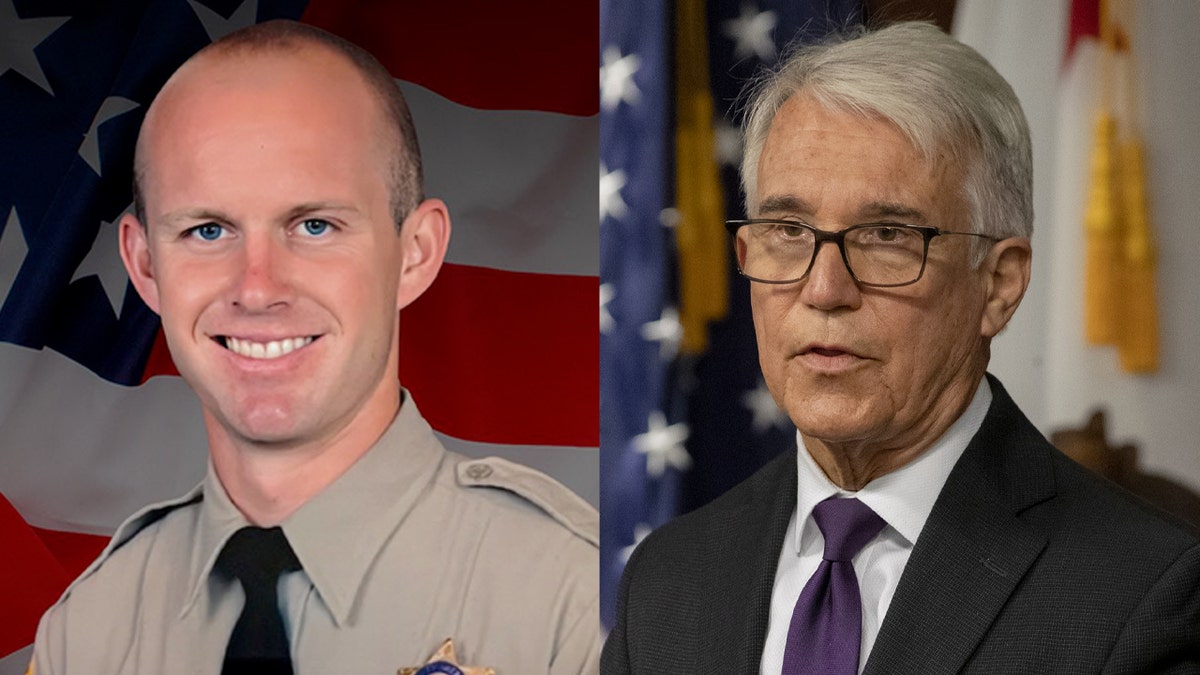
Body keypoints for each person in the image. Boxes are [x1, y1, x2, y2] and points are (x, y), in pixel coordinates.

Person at [601, 21, 1200, 674]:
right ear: (746, 254)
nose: (824, 289)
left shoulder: (1144, 594)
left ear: (999, 284)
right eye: (789, 230)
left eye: (886, 234)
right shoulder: (665, 579)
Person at [31, 20, 598, 675]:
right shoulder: (92, 628)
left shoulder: (575, 605)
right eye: (208, 229)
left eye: (314, 225)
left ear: (415, 254)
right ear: (145, 265)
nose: (258, 286)